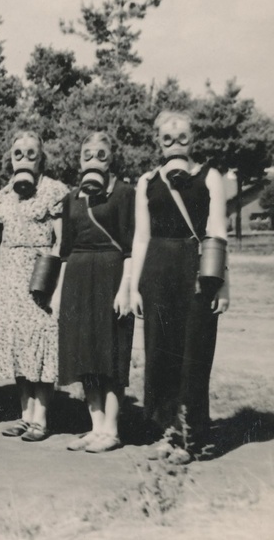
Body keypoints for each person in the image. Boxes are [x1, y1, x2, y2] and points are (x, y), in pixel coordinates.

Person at [130, 111, 230, 464]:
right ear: (157, 141)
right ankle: (168, 431)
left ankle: (193, 437)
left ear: (193, 140)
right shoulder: (146, 181)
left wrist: (222, 284)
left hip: (196, 271)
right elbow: (141, 238)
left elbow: (217, 231)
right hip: (157, 271)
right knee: (160, 354)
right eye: (167, 139)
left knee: (194, 353)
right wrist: (133, 287)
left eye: (182, 138)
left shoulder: (209, 177)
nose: (174, 144)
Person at [56, 132, 136, 453]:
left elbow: (130, 247)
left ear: (111, 158)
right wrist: (59, 294)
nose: (93, 160)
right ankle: (96, 425)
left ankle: (112, 430)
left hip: (111, 275)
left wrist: (126, 288)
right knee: (86, 354)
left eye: (100, 154)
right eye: (87, 154)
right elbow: (65, 250)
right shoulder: (71, 199)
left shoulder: (124, 194)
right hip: (77, 277)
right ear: (79, 159)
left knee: (110, 353)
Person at [0, 130, 68, 442]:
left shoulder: (54, 192)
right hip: (10, 275)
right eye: (17, 153)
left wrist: (53, 282)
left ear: (41, 158)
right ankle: (25, 414)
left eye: (30, 154)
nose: (23, 159)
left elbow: (61, 240)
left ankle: (42, 418)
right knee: (19, 347)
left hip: (39, 276)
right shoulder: (3, 196)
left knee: (40, 345)